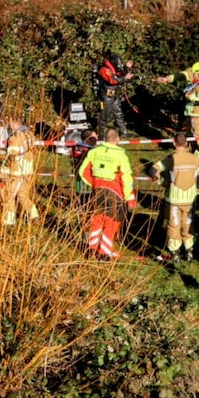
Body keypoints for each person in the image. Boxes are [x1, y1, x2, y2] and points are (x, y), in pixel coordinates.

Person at [78, 129, 136, 259]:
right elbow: (126, 179)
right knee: (111, 222)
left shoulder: (94, 152)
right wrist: (129, 198)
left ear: (104, 139)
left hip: (98, 190)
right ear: (118, 140)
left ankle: (92, 248)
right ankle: (104, 252)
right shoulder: (121, 156)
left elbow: (82, 172)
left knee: (97, 219)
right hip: (115, 193)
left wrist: (95, 184)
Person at [151, 131, 199, 262]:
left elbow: (153, 170)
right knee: (188, 225)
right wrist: (198, 192)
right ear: (187, 143)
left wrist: (162, 182)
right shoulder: (195, 159)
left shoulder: (171, 159)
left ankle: (175, 254)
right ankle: (189, 252)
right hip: (190, 200)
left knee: (173, 226)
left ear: (174, 143)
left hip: (173, 200)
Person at [0, 115, 39, 225]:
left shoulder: (14, 137)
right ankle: (33, 214)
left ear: (12, 122)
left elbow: (10, 157)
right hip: (27, 171)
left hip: (16, 172)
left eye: (9, 121)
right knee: (23, 195)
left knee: (9, 197)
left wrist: (3, 172)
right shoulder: (30, 134)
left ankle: (9, 222)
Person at [94, 53, 133, 138]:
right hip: (106, 95)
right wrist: (124, 78)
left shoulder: (115, 67)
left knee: (119, 113)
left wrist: (127, 68)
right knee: (104, 116)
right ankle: (101, 135)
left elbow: (122, 74)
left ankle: (124, 132)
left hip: (114, 93)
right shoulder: (104, 69)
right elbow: (112, 80)